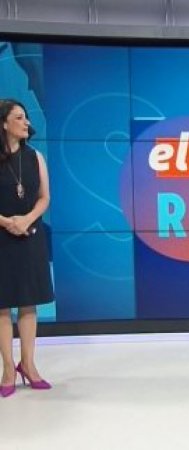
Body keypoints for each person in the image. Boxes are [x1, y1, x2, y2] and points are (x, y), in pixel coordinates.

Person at [0, 99, 53, 398]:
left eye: (26, 117)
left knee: (28, 302)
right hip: (2, 236)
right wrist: (7, 222)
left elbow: (44, 197)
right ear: (4, 123)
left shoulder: (35, 157)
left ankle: (28, 365)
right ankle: (8, 369)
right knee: (2, 304)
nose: (26, 122)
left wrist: (26, 219)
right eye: (19, 117)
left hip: (30, 234)